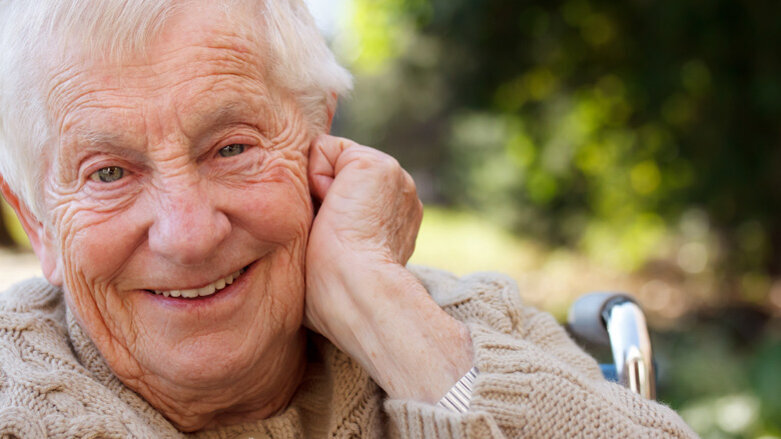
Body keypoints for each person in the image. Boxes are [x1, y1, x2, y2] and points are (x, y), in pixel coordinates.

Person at [0, 1, 698, 437]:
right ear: (37, 224)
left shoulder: (461, 325)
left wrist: (377, 304)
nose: (187, 232)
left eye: (232, 146)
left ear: (317, 140)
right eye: (110, 173)